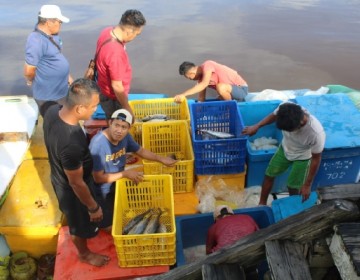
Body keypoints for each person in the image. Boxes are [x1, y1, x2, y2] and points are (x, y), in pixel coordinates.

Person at [43, 78, 109, 267]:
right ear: (79, 108)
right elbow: (76, 183)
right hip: (72, 191)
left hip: (58, 175)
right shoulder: (71, 142)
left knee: (81, 218)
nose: (95, 110)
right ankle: (84, 254)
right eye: (94, 106)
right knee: (78, 224)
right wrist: (92, 207)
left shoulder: (52, 111)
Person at [89, 108, 177, 226]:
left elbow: (140, 151)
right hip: (102, 191)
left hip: (118, 183)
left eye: (123, 127)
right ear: (110, 123)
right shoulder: (98, 144)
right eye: (116, 125)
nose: (119, 130)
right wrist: (125, 174)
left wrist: (161, 159)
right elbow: (98, 178)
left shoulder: (126, 137)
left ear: (129, 128)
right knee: (110, 226)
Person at [242, 102, 326, 205]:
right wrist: (257, 126)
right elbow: (273, 115)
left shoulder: (315, 133)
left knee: (293, 186)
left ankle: (294, 206)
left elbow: (316, 159)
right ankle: (262, 204)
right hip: (285, 148)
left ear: (299, 124)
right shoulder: (286, 108)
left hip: (302, 157)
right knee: (269, 174)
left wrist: (307, 184)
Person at [95, 9, 146, 120]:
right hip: (113, 98)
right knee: (119, 127)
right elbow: (117, 86)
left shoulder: (107, 31)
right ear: (129, 31)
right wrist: (127, 108)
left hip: (103, 89)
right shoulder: (115, 52)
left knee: (113, 123)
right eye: (136, 34)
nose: (135, 37)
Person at [24, 4, 73, 117]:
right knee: (54, 126)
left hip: (61, 91)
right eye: (59, 22)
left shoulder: (53, 35)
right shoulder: (35, 41)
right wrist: (30, 80)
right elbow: (29, 70)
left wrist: (67, 76)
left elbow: (56, 55)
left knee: (63, 122)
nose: (61, 25)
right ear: (49, 22)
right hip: (49, 97)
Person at [174, 60, 248, 103]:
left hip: (241, 89)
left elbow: (204, 84)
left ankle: (232, 109)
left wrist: (183, 94)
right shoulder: (201, 80)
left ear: (192, 73)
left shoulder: (207, 65)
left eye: (190, 78)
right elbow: (201, 98)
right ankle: (231, 105)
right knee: (216, 101)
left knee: (220, 87)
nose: (191, 79)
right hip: (230, 92)